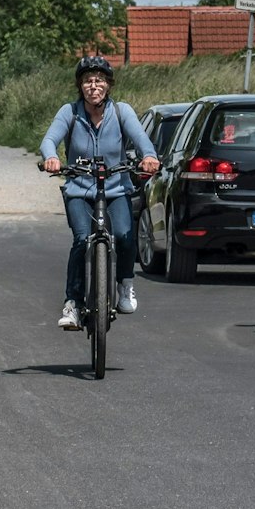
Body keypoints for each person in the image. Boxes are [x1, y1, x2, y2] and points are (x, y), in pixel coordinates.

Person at [41, 56, 159, 330]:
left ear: (108, 85)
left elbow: (140, 137)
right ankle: (72, 303)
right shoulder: (69, 112)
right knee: (82, 239)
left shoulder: (122, 111)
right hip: (79, 190)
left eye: (99, 80)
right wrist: (51, 157)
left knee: (125, 236)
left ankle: (125, 285)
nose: (93, 86)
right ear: (80, 86)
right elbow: (49, 139)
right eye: (87, 81)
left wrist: (149, 156)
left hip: (116, 188)